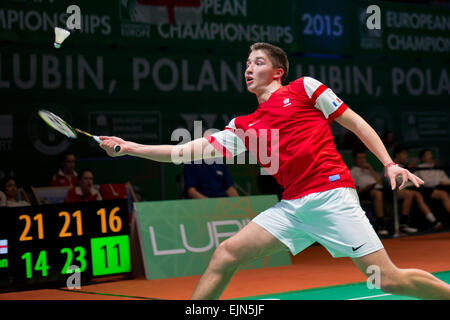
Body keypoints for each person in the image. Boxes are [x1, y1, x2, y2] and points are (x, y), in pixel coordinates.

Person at [99, 42, 450, 300]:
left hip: (332, 198)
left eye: (258, 62)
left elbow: (355, 122)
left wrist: (387, 162)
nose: (248, 68)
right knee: (226, 253)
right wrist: (130, 147)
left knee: (386, 280)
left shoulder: (304, 89)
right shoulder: (245, 124)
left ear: (277, 71)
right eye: (247, 64)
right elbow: (182, 151)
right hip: (293, 207)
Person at [392, 146, 443, 232]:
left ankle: (434, 222)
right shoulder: (392, 166)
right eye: (404, 154)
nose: (406, 156)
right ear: (397, 155)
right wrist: (409, 168)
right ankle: (403, 224)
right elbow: (397, 182)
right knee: (410, 194)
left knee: (417, 194)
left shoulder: (404, 166)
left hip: (411, 190)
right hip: (394, 191)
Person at [184, 130, 239, 199]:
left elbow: (229, 188)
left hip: (222, 203)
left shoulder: (219, 162)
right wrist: (211, 204)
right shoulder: (192, 164)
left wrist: (239, 202)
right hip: (203, 205)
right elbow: (191, 192)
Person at [349, 149, 388, 236]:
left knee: (380, 193)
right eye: (359, 158)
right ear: (354, 159)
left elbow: (380, 183)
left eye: (363, 158)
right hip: (363, 193)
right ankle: (381, 225)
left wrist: (370, 169)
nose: (362, 160)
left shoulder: (369, 170)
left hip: (378, 189)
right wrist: (364, 189)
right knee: (378, 194)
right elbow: (353, 190)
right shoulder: (352, 171)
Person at [415, 148, 450, 215]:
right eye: (428, 154)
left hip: (441, 187)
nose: (430, 156)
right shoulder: (419, 168)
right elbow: (426, 183)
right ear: (422, 158)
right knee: (443, 194)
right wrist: (440, 182)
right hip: (427, 190)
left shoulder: (436, 166)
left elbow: (445, 178)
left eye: (430, 154)